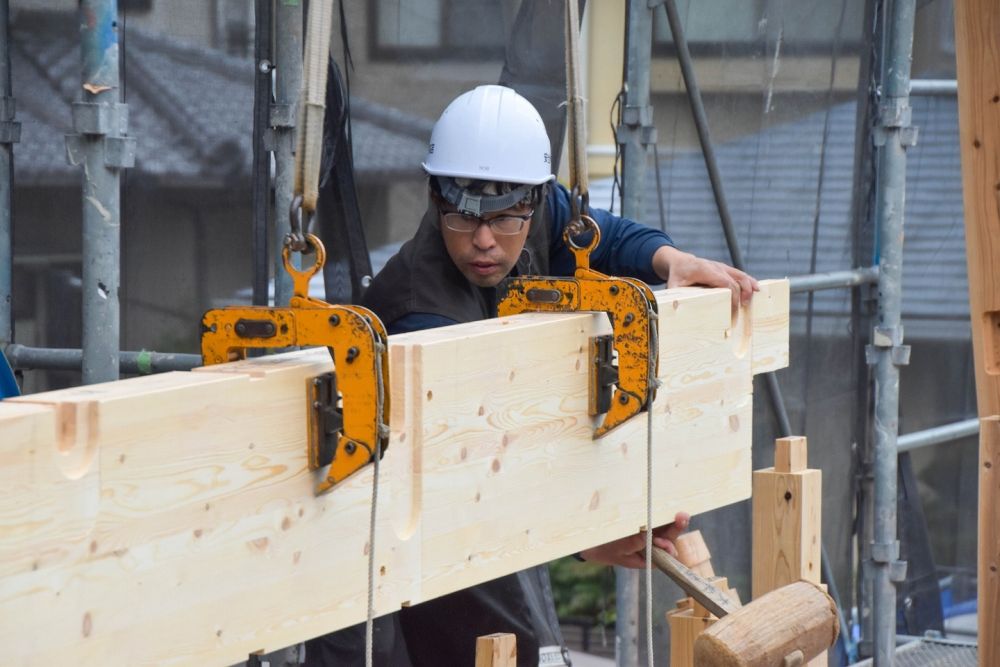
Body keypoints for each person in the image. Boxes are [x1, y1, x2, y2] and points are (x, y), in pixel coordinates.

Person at [304, 85, 758, 666]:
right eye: (463, 219)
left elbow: (606, 235)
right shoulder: (424, 312)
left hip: (463, 505)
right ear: (436, 197)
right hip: (387, 531)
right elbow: (471, 483)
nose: (486, 241)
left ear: (535, 200)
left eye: (505, 219)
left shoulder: (539, 211)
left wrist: (672, 261)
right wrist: (585, 544)